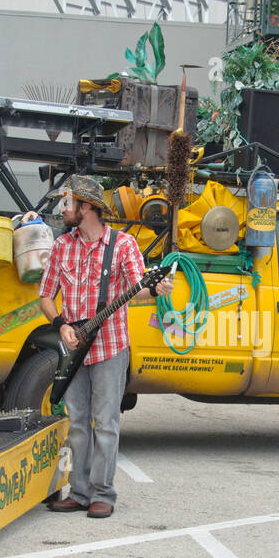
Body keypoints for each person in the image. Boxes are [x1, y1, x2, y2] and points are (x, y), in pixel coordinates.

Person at [37, 176, 172, 519]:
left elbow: (138, 289)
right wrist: (61, 325)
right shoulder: (61, 246)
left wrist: (154, 290)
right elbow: (44, 296)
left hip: (110, 348)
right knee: (78, 422)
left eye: (68, 203)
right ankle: (79, 492)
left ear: (87, 208)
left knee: (106, 423)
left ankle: (103, 494)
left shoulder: (123, 245)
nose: (63, 209)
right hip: (73, 348)